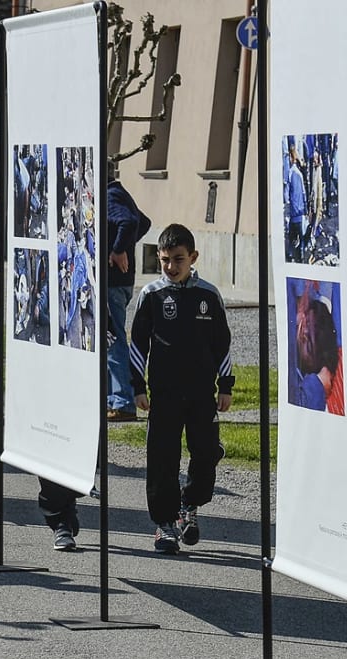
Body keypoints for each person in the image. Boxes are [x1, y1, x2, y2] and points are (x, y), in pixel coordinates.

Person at [129, 224, 234, 554]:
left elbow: (223, 344)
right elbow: (137, 345)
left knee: (205, 453)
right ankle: (165, 524)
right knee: (163, 457)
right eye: (164, 261)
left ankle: (190, 507)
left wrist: (225, 385)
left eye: (178, 260)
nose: (171, 267)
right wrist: (138, 386)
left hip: (202, 393)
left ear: (193, 257)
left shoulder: (208, 295)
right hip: (164, 393)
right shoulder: (152, 295)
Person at [106, 172, 152, 421]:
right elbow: (143, 222)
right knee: (110, 338)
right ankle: (113, 398)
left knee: (112, 340)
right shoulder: (121, 193)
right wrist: (124, 247)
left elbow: (130, 223)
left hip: (112, 281)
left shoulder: (110, 196)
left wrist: (118, 250)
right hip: (121, 281)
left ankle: (122, 402)